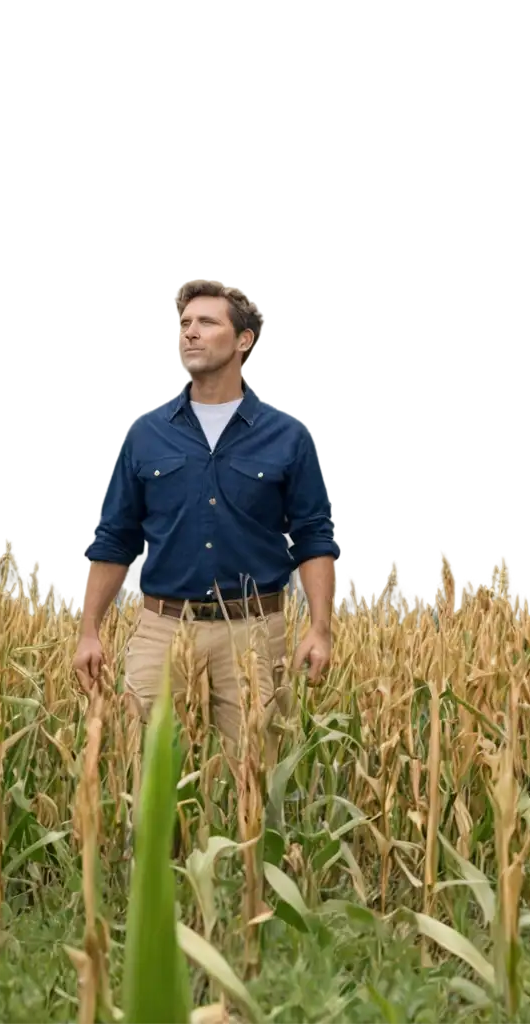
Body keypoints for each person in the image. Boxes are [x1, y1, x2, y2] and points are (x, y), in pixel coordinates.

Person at [72, 278, 340, 767]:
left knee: (250, 784)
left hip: (255, 633)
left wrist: (320, 629)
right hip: (162, 629)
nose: (190, 333)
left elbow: (313, 535)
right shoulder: (145, 435)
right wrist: (90, 629)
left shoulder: (288, 438)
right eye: (184, 324)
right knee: (147, 780)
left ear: (243, 341)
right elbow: (114, 537)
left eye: (206, 323)